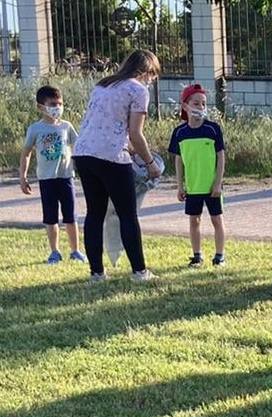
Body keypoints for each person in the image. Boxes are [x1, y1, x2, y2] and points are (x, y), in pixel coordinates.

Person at [72, 49, 162, 282]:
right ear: (146, 71)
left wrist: (130, 147)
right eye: (153, 75)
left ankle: (97, 273)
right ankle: (139, 271)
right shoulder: (138, 90)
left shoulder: (103, 85)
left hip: (84, 152)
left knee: (95, 213)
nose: (152, 80)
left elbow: (106, 124)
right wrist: (150, 163)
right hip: (112, 157)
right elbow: (135, 133)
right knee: (127, 215)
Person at [19, 85, 87, 265]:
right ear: (41, 107)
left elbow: (78, 147)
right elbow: (26, 152)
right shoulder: (35, 129)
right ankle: (55, 252)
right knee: (50, 217)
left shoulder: (67, 126)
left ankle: (75, 251)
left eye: (60, 104)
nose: (57, 107)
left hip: (66, 177)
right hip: (46, 179)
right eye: (52, 104)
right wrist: (23, 176)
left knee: (71, 216)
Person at [169, 84, 227, 268]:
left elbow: (221, 157)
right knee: (194, 220)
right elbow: (178, 160)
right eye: (196, 103)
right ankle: (197, 255)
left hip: (211, 187)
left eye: (203, 103)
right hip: (193, 186)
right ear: (185, 106)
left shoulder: (213, 129)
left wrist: (217, 183)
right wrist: (180, 185)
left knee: (216, 219)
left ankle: (219, 256)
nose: (200, 107)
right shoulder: (179, 132)